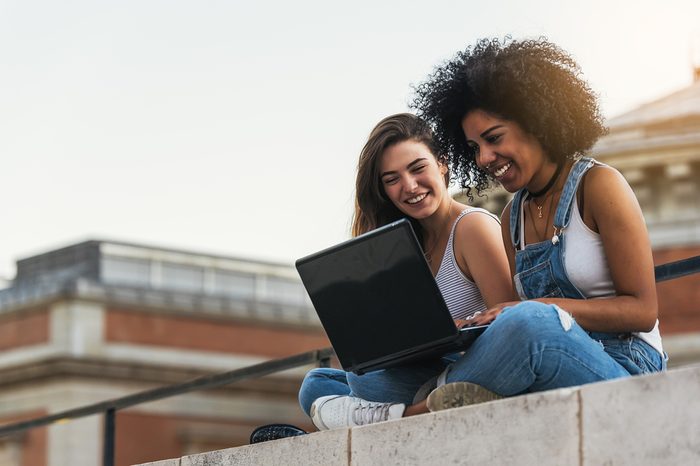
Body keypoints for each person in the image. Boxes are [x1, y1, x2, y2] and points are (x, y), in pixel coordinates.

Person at [410, 37, 665, 410]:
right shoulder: (510, 218)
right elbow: (517, 322)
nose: (483, 157)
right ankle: (431, 395)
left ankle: (417, 407)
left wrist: (540, 309)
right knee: (332, 380)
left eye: (493, 138)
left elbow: (643, 312)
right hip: (549, 370)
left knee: (532, 321)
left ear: (537, 121)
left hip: (627, 366)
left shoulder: (599, 186)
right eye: (474, 147)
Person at [298, 113, 515, 429]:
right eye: (392, 179)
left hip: (468, 370)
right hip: (419, 374)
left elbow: (510, 326)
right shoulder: (401, 243)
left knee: (367, 385)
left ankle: (385, 414)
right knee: (316, 383)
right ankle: (411, 413)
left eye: (417, 168)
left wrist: (454, 328)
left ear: (441, 163)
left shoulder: (473, 227)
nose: (409, 186)